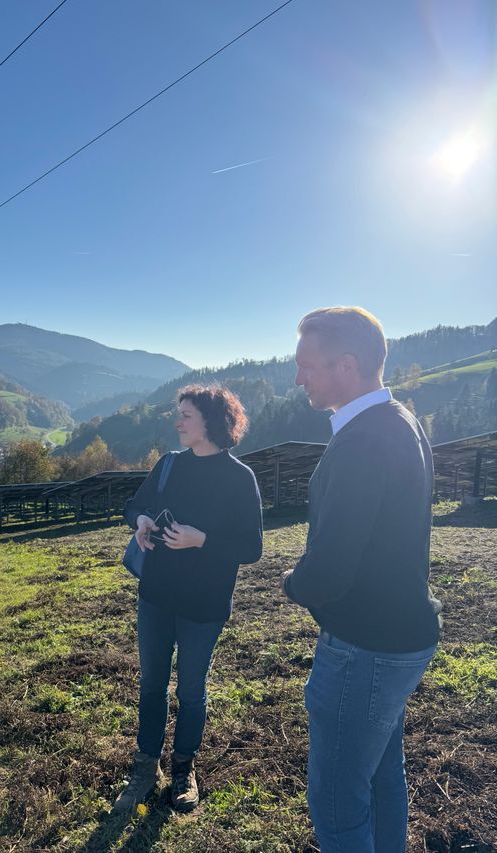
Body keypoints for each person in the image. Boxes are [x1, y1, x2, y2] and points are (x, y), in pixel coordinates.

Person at [280, 307, 442, 852]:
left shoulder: (364, 440)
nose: (298, 377)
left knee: (337, 805)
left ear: (346, 365)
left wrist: (293, 583)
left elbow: (329, 568)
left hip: (363, 647)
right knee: (380, 776)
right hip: (399, 636)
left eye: (306, 365)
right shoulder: (402, 421)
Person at [113, 385, 263, 814]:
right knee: (152, 686)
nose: (177, 422)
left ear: (212, 422)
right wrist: (141, 520)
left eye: (187, 415)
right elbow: (133, 505)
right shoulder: (168, 465)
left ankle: (183, 769)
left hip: (205, 604)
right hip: (156, 595)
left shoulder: (240, 478)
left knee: (192, 691)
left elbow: (252, 547)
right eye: (178, 413)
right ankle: (145, 768)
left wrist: (202, 540)